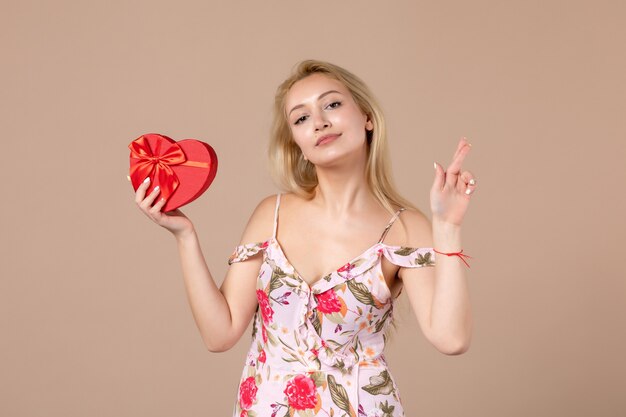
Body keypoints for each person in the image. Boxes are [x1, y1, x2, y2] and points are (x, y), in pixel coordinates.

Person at [133, 60, 476, 417]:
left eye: (332, 104)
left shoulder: (406, 228)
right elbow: (219, 335)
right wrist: (185, 236)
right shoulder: (272, 214)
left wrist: (447, 227)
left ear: (367, 117)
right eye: (301, 118)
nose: (319, 122)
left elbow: (451, 339)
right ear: (297, 142)